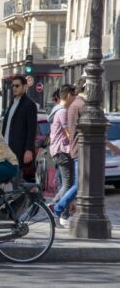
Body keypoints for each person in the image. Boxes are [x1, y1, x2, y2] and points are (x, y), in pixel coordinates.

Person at [52, 78, 120, 227]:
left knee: (79, 183)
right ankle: (58, 207)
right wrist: (112, 147)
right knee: (80, 183)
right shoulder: (83, 105)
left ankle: (62, 208)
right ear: (88, 89)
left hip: (76, 149)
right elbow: (98, 128)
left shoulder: (74, 105)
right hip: (83, 150)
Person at [47, 84, 76, 221]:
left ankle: (63, 214)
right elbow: (68, 132)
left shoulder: (57, 110)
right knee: (68, 184)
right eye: (74, 96)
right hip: (62, 150)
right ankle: (53, 206)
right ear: (69, 95)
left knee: (65, 182)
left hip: (58, 150)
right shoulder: (63, 111)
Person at [2, 74, 37, 182]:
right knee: (6, 180)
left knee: (16, 180)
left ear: (24, 86)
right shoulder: (12, 103)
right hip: (6, 147)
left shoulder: (29, 104)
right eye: (13, 86)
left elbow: (32, 129)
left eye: (17, 86)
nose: (14, 88)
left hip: (19, 149)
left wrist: (28, 150)